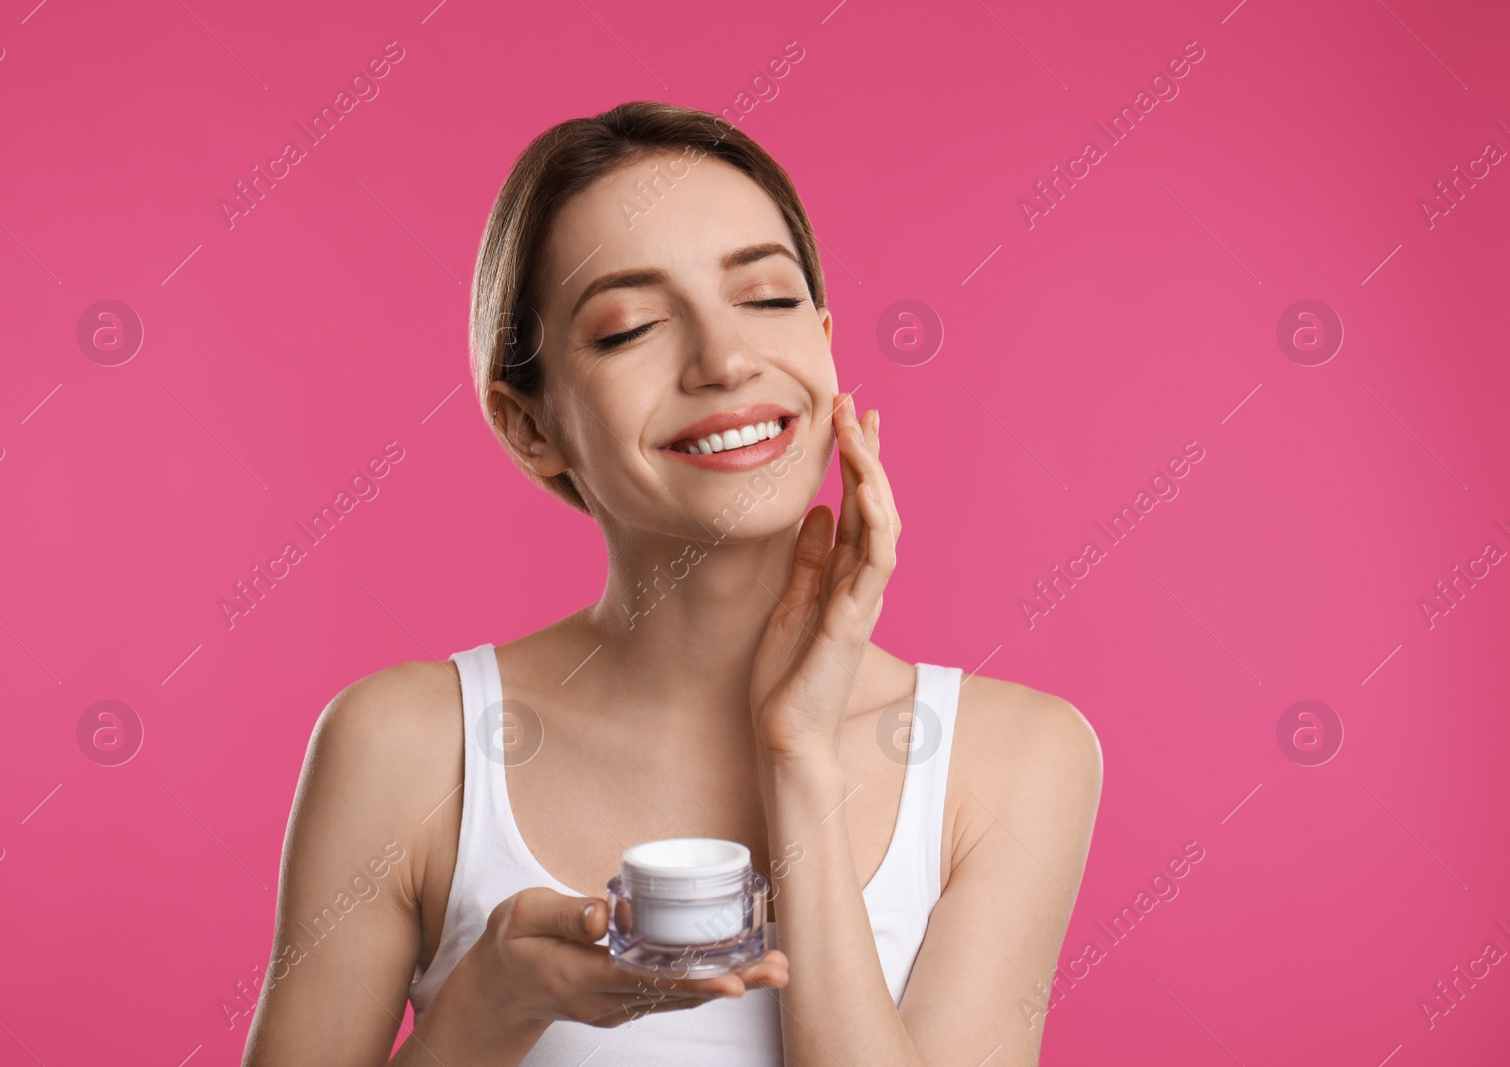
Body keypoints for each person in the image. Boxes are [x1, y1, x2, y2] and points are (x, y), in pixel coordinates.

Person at [240, 100, 1102, 1067]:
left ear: (823, 339)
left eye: (768, 299)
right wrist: (489, 1006)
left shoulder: (1012, 759)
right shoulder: (408, 749)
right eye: (630, 326)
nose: (727, 360)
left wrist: (797, 760)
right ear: (531, 425)